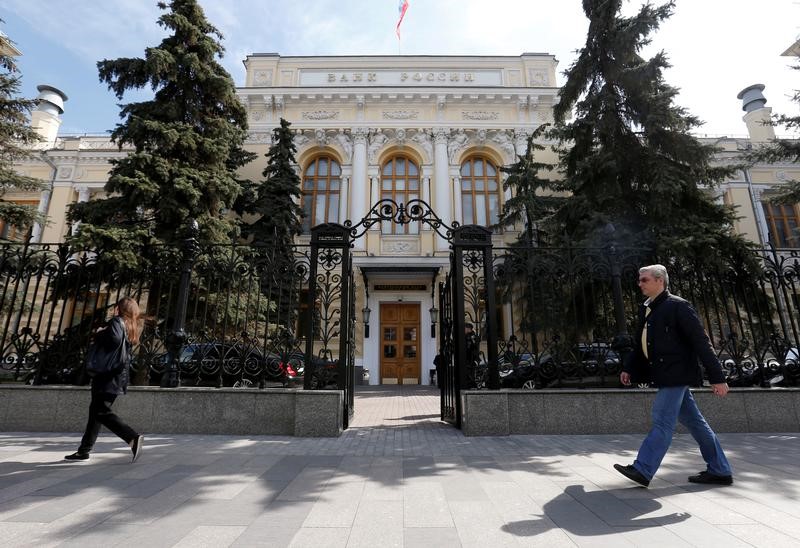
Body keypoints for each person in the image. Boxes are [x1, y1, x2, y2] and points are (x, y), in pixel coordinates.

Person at [614, 264, 732, 487]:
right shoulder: (648, 308)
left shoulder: (679, 306)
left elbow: (701, 342)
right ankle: (720, 469)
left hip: (677, 374)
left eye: (644, 280)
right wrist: (629, 368)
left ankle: (643, 468)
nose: (640, 284)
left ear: (660, 281)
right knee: (695, 422)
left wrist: (717, 377)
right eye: (640, 280)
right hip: (665, 374)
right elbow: (641, 344)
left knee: (662, 419)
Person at [65, 297, 144, 463]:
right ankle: (83, 450)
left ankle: (132, 437)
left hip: (106, 376)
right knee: (96, 413)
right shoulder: (130, 326)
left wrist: (100, 333)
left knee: (101, 412)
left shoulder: (117, 321)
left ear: (118, 308)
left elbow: (114, 340)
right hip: (116, 377)